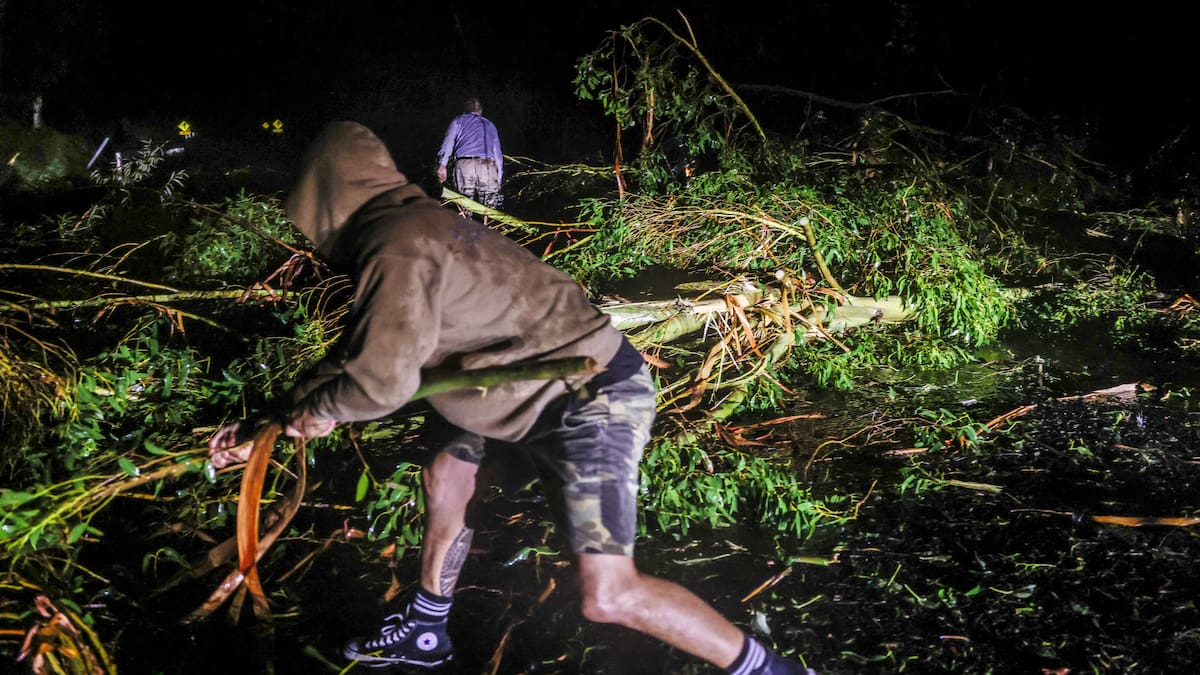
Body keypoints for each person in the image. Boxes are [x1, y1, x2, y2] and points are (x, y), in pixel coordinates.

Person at [207, 121, 815, 675]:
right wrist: (275, 422)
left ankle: (776, 672)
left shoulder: (399, 243)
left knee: (607, 595)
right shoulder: (408, 227)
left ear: (326, 193)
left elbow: (378, 384)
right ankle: (425, 632)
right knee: (446, 474)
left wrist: (314, 414)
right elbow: (357, 356)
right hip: (516, 383)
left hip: (590, 393)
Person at [435, 96, 503, 207]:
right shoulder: (490, 125)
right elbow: (498, 154)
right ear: (480, 111)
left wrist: (443, 164)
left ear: (465, 110)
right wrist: (499, 178)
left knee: (465, 204)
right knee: (489, 208)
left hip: (465, 165)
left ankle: (466, 220)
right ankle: (488, 223)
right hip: (487, 165)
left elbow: (448, 142)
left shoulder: (458, 120)